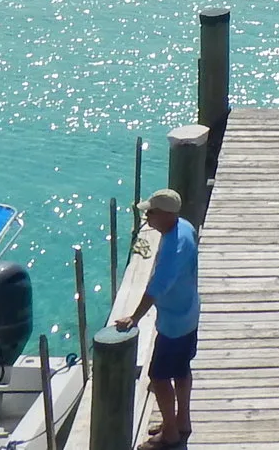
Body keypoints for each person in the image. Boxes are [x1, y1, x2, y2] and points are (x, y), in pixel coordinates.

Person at [120, 188, 199, 447]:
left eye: (151, 213)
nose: (147, 217)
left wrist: (134, 317)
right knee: (182, 369)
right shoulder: (185, 227)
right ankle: (179, 420)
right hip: (188, 314)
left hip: (173, 324)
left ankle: (170, 435)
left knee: (159, 377)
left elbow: (158, 286)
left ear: (166, 215)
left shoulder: (173, 246)